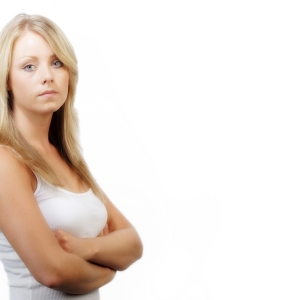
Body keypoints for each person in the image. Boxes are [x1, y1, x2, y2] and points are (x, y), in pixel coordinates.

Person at [0, 13, 143, 300]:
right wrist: (108, 270)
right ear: (7, 82)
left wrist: (86, 248)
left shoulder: (67, 158)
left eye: (57, 62)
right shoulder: (6, 161)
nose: (47, 76)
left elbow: (133, 243)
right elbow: (53, 272)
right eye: (29, 66)